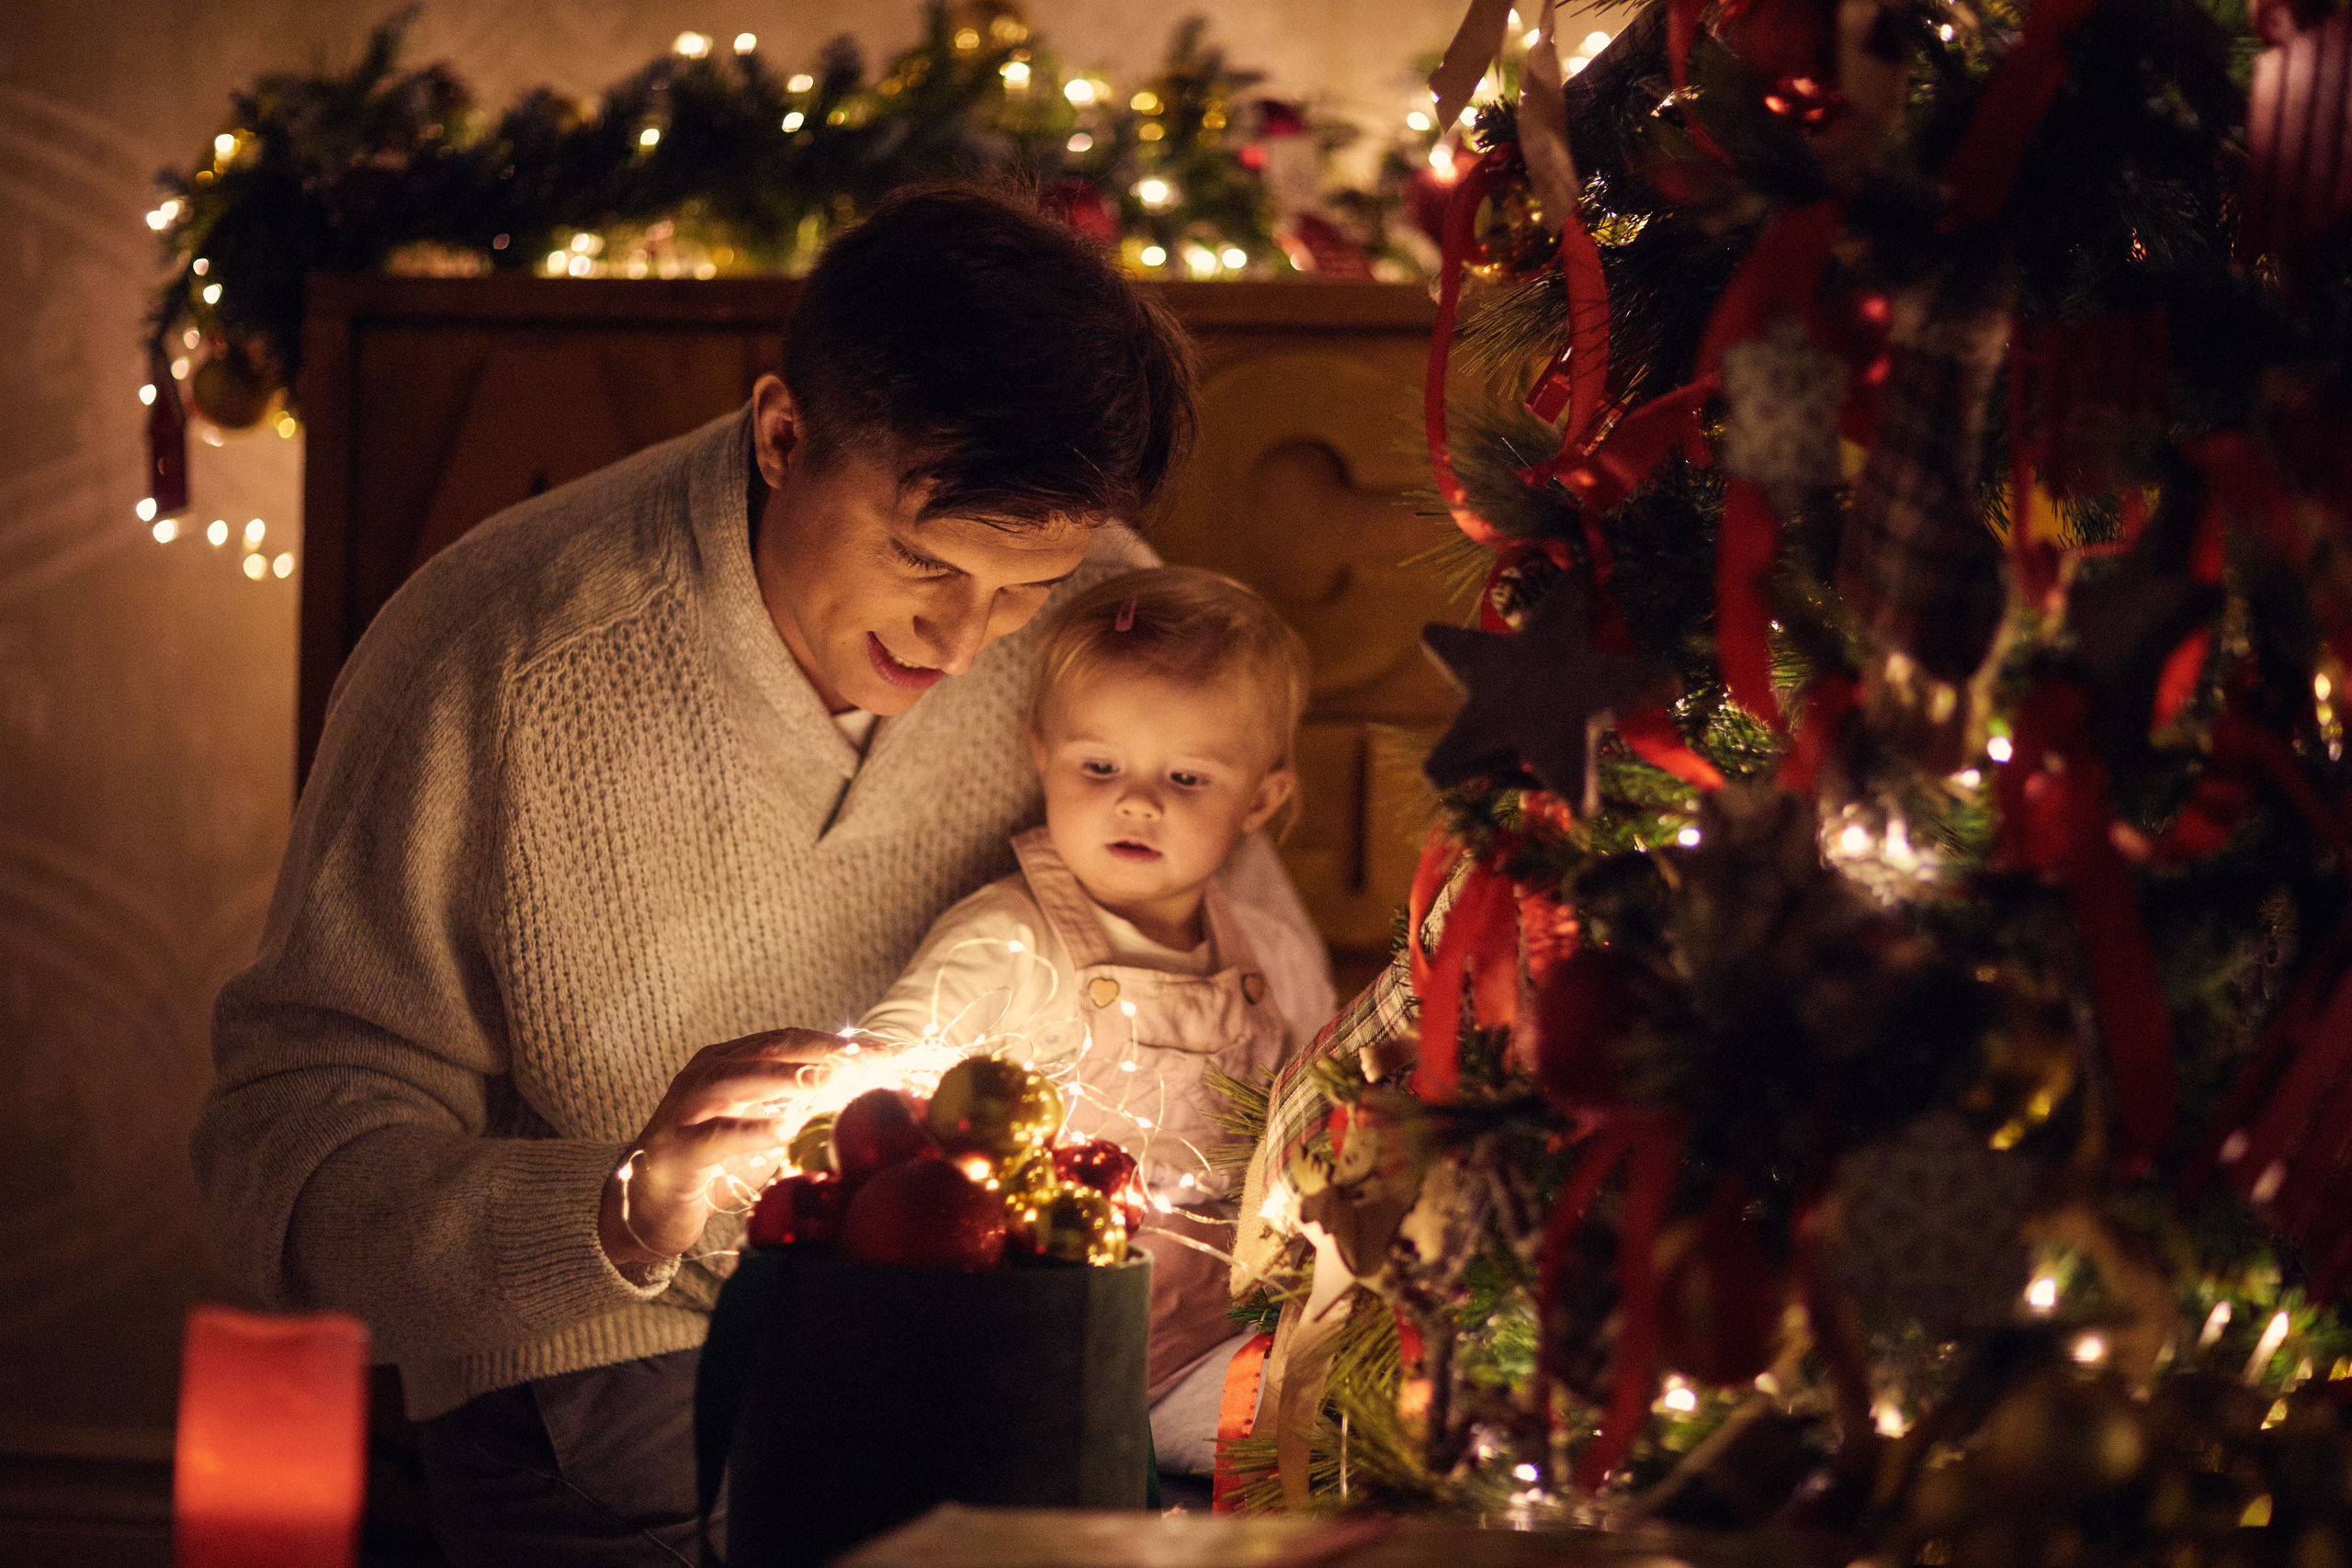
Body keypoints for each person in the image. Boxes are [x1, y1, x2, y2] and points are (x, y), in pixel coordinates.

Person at [191, 188, 1329, 1567]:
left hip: (1014, 1347)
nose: (970, 641)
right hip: (613, 1383)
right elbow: (280, 1157)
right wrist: (621, 1202)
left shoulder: (1102, 613)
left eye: (1023, 589)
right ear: (783, 433)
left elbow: (1236, 934)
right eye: (923, 560)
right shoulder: (493, 662)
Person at [854, 567, 1332, 1498]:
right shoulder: (1006, 940)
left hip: (1210, 1348)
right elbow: (877, 1095)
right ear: (1042, 756)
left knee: (1337, 1426)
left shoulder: (1272, 958)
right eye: (1098, 766)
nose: (1136, 800)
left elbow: (1325, 1113)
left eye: (1186, 777)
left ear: (1260, 802)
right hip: (1022, 1357)